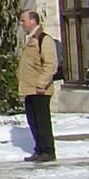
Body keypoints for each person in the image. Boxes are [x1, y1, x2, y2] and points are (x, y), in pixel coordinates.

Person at [17, 9, 60, 163]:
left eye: (23, 20)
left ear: (33, 21)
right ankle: (39, 149)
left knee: (42, 121)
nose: (21, 24)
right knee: (33, 121)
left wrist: (42, 84)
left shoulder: (44, 39)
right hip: (29, 88)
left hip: (40, 89)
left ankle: (48, 150)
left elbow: (51, 64)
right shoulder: (28, 39)